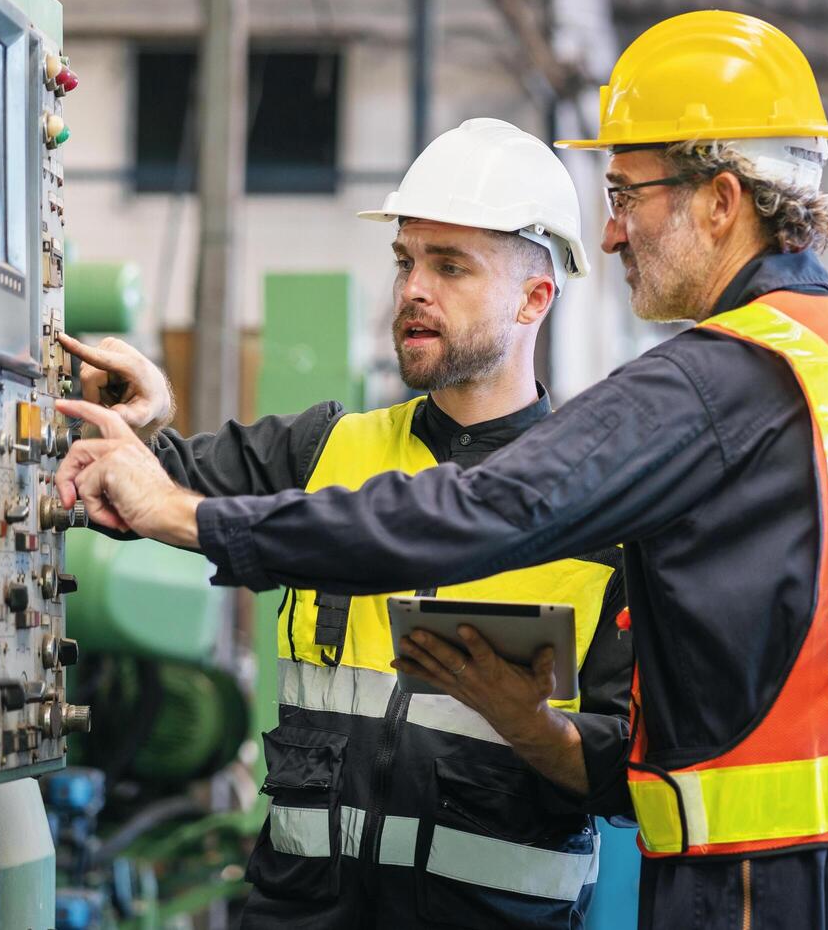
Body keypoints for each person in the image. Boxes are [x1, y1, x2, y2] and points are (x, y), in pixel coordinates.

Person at [57, 13, 828, 928]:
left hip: (748, 885)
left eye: (628, 195)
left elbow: (481, 505)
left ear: (722, 198)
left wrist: (202, 522)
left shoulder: (706, 387)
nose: (616, 233)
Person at [58, 118, 633, 929]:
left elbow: (629, 776)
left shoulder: (605, 516)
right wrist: (128, 421)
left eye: (450, 266)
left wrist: (529, 725)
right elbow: (133, 487)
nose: (413, 290)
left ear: (535, 297)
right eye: (406, 262)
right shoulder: (329, 448)